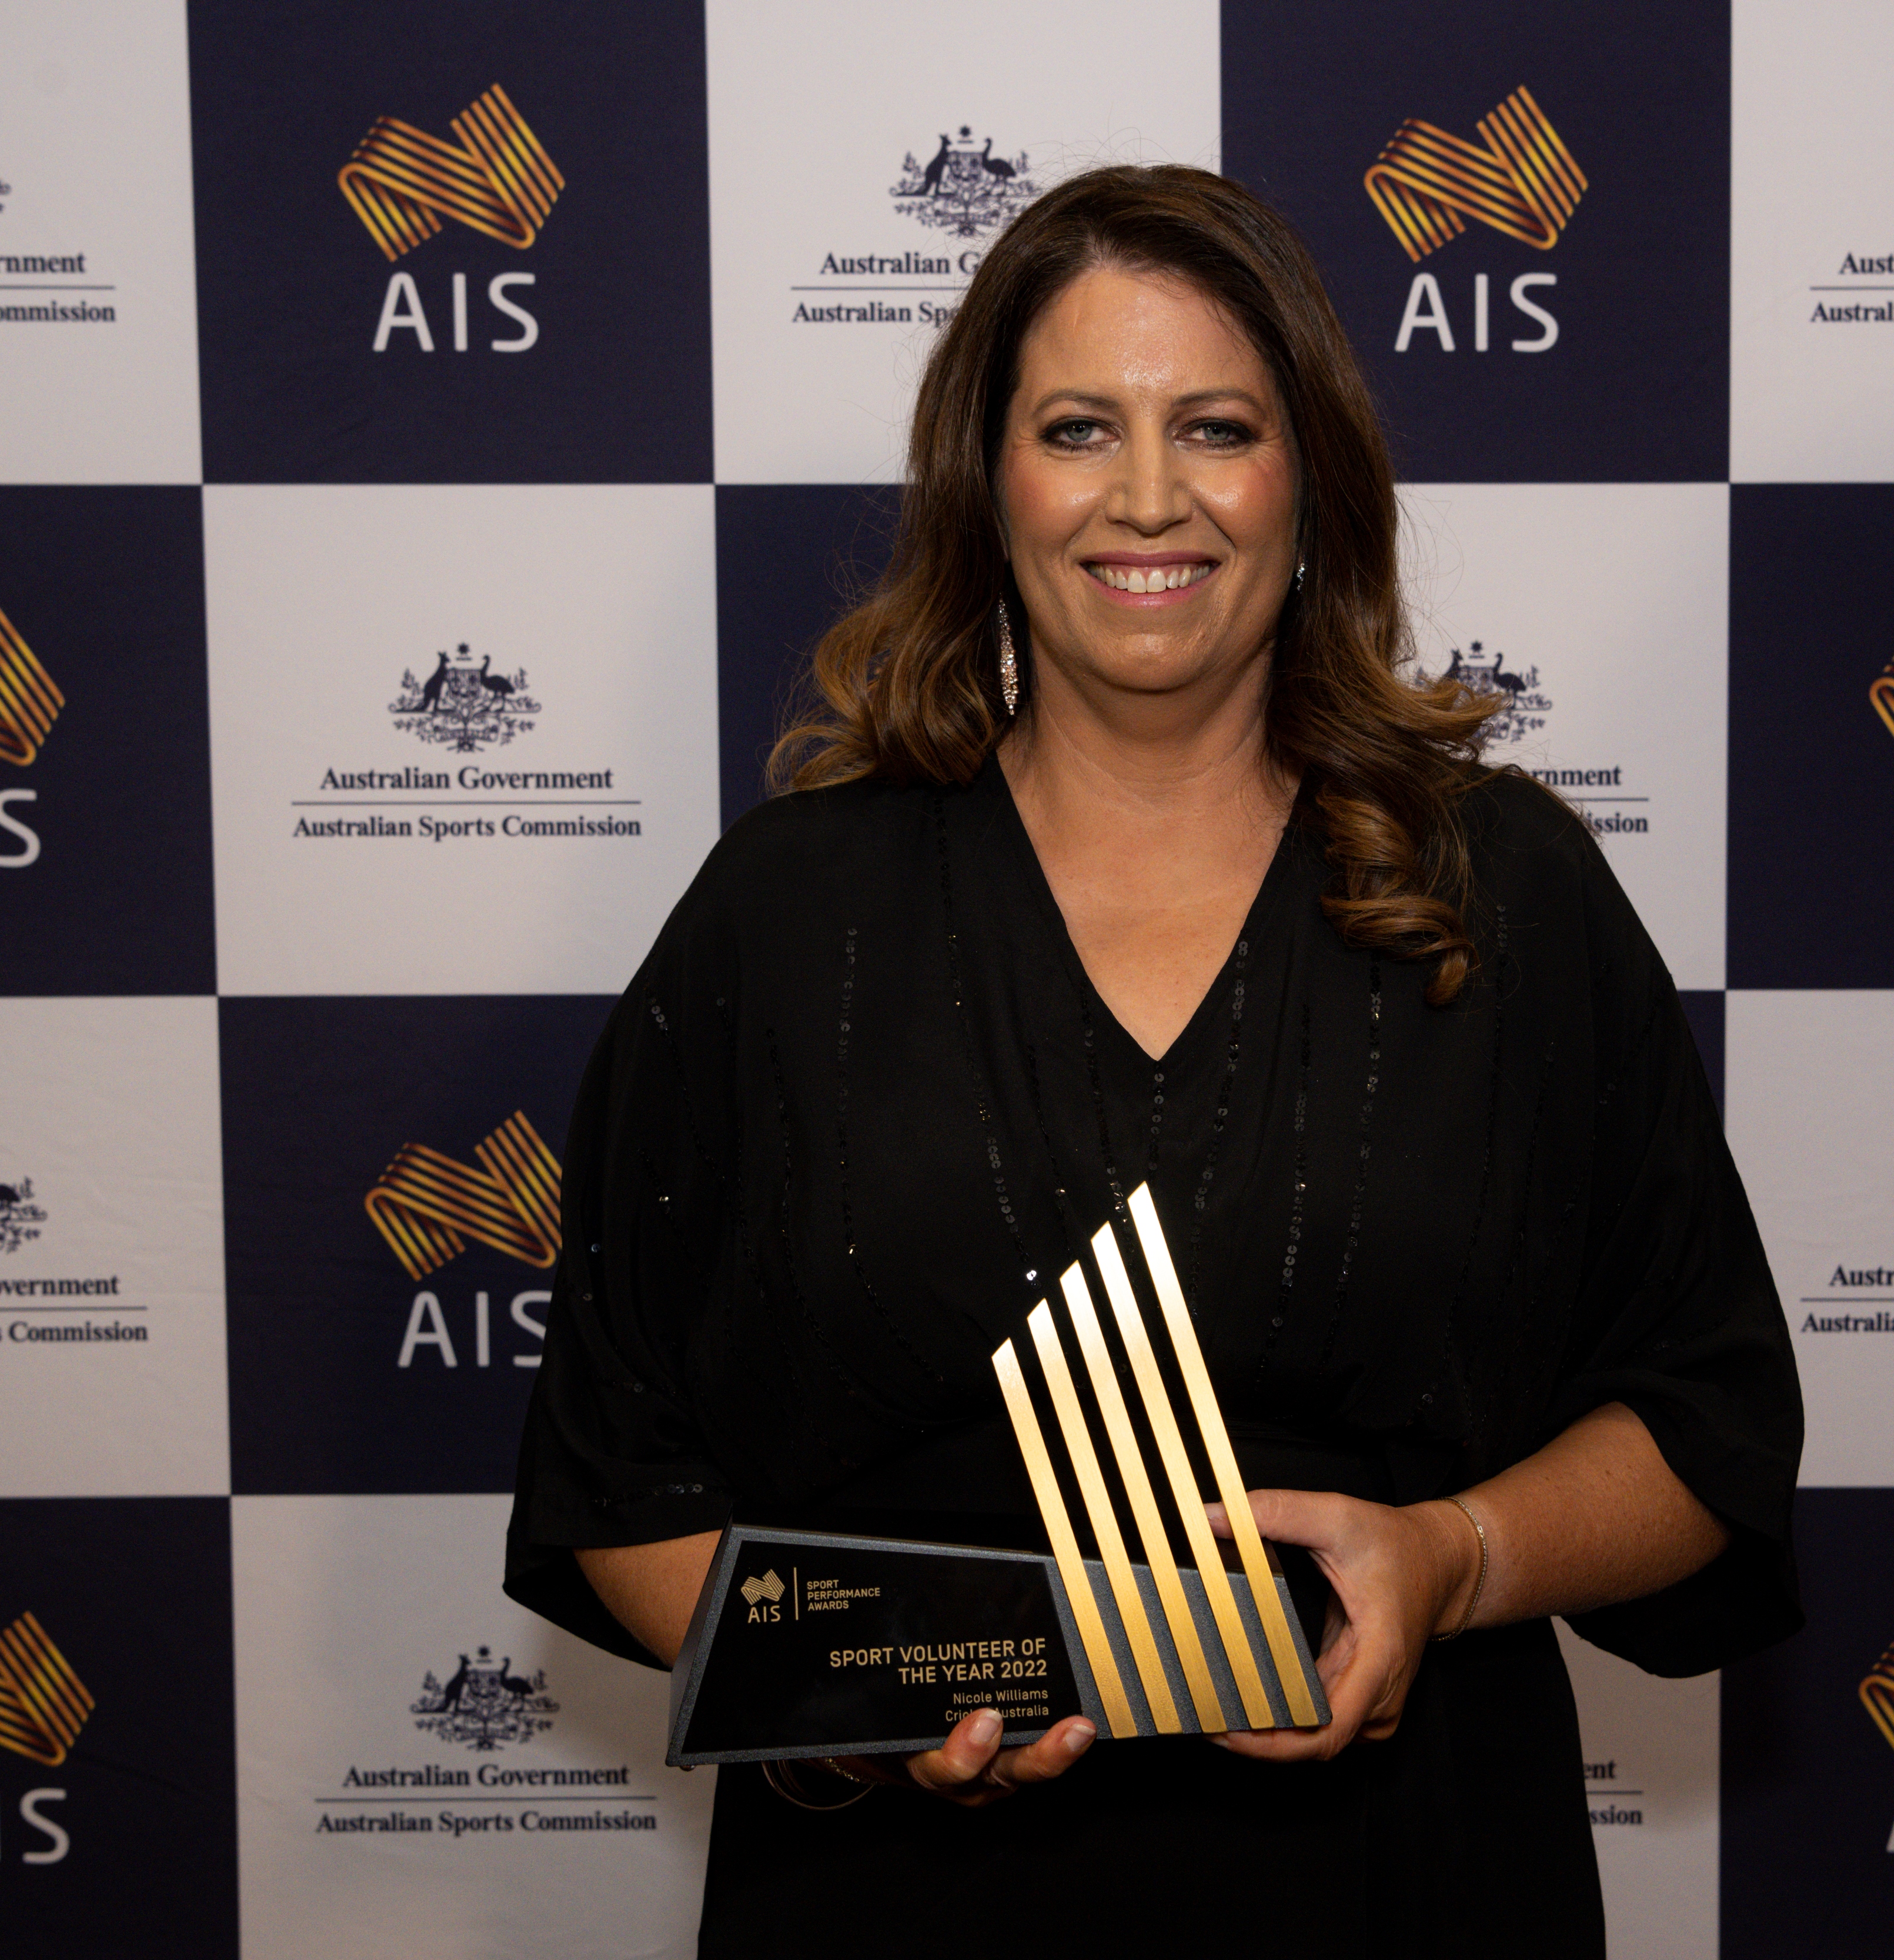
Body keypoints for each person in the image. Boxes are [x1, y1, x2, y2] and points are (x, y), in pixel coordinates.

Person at [503, 162, 1799, 1955]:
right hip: (901, 1900)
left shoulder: (1500, 890)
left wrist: (1457, 1559)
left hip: (1404, 1881)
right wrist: (861, 1713)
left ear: (1309, 479)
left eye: (1214, 426)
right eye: (1076, 428)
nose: (1147, 497)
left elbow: (1707, 1428)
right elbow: (613, 1481)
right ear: (989, 481)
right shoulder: (791, 911)